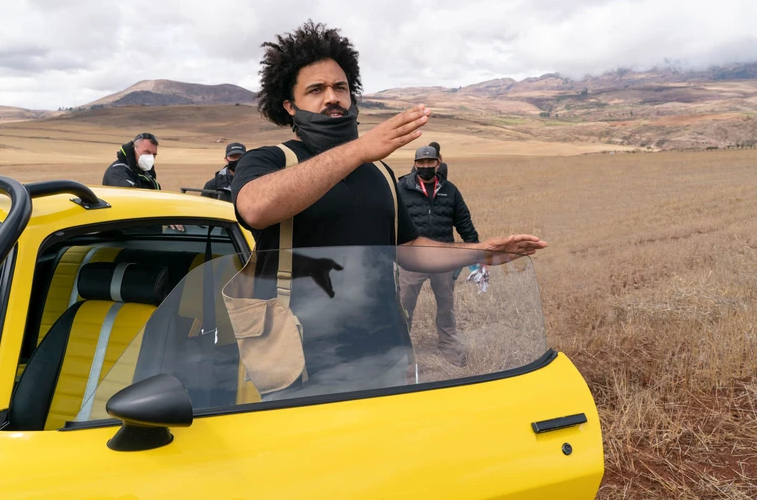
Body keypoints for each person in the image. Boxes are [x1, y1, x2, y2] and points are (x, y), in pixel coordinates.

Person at [231, 20, 547, 398]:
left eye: (341, 87)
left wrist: (480, 251)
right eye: (316, 89)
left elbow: (408, 248)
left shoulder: (378, 172)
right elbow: (255, 208)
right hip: (298, 367)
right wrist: (358, 150)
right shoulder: (270, 160)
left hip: (385, 358)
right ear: (290, 105)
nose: (332, 97)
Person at [398, 145, 479, 367]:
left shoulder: (450, 190)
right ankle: (401, 351)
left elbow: (464, 222)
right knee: (404, 305)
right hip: (412, 260)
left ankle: (449, 346)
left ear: (438, 162)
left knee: (446, 305)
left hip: (443, 258)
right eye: (421, 162)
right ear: (415, 164)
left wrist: (475, 255)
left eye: (430, 162)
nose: (425, 166)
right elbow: (389, 221)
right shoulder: (401, 189)